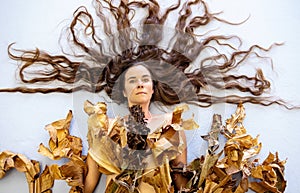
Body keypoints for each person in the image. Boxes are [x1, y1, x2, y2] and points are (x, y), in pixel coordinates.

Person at [84, 63, 189, 192]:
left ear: (152, 89)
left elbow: (181, 182)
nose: (140, 84)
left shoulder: (171, 125)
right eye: (132, 80)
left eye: (145, 79)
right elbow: (89, 180)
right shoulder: (107, 127)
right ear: (124, 91)